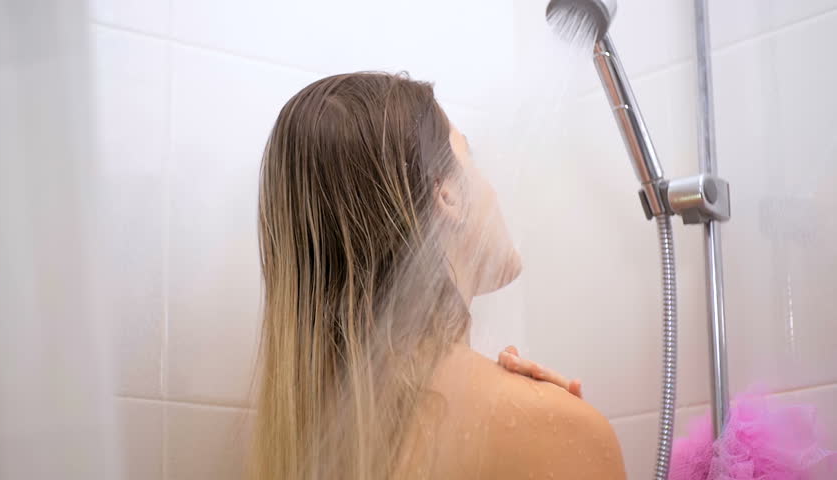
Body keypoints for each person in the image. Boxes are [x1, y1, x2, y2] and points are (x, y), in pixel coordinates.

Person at [251, 71, 626, 480]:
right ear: (446, 193)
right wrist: (566, 429)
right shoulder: (554, 427)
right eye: (471, 157)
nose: (492, 188)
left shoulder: (309, 444)